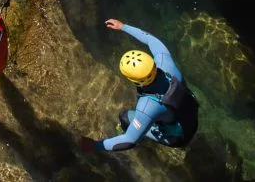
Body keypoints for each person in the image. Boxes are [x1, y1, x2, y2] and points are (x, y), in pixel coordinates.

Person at [78, 18, 198, 153]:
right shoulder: (165, 62)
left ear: (133, 80)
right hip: (191, 120)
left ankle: (151, 143)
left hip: (178, 138)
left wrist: (94, 145)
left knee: (124, 117)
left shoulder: (146, 106)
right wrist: (123, 27)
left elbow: (128, 141)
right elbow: (151, 39)